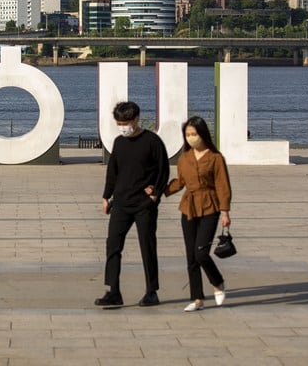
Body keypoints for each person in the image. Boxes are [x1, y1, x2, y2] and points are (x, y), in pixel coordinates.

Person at [95, 101, 170, 308]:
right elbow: (113, 172)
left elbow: (163, 170)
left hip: (144, 205)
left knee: (147, 246)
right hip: (120, 203)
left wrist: (154, 195)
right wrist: (106, 196)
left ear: (136, 119)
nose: (122, 127)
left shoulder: (152, 141)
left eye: (125, 122)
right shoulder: (119, 142)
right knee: (113, 246)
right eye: (119, 123)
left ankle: (151, 291)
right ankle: (113, 291)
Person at [165, 116, 231, 312]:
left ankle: (217, 281)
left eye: (194, 134)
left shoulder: (215, 158)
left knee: (201, 252)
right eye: (187, 134)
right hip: (189, 207)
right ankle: (196, 298)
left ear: (203, 134)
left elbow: (223, 185)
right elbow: (180, 182)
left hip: (210, 206)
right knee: (191, 256)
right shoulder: (184, 158)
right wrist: (162, 190)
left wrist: (225, 212)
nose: (191, 138)